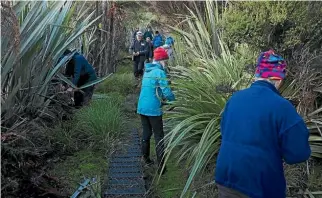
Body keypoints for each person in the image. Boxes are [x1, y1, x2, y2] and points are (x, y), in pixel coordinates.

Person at [215, 50, 311, 198]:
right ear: (278, 79)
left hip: (226, 177)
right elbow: (298, 154)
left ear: (257, 76)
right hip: (259, 185)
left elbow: (225, 130)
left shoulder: (235, 99)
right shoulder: (282, 107)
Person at [137, 47, 175, 175]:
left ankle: (146, 159)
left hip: (142, 107)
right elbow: (166, 91)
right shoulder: (159, 72)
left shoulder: (147, 70)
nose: (166, 63)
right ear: (161, 60)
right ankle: (162, 168)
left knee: (146, 134)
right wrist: (173, 101)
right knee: (159, 137)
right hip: (153, 109)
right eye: (166, 61)